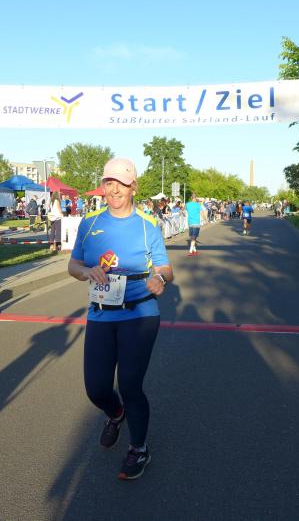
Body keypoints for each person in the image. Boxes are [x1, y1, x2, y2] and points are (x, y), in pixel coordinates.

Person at [68, 157, 173, 481]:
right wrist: (86, 272)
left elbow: (165, 268)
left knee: (129, 384)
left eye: (121, 184)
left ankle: (139, 449)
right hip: (101, 314)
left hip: (140, 314)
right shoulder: (89, 222)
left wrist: (160, 279)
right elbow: (73, 265)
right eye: (109, 183)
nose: (114, 190)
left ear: (133, 187)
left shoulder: (146, 224)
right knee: (96, 388)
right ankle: (115, 414)